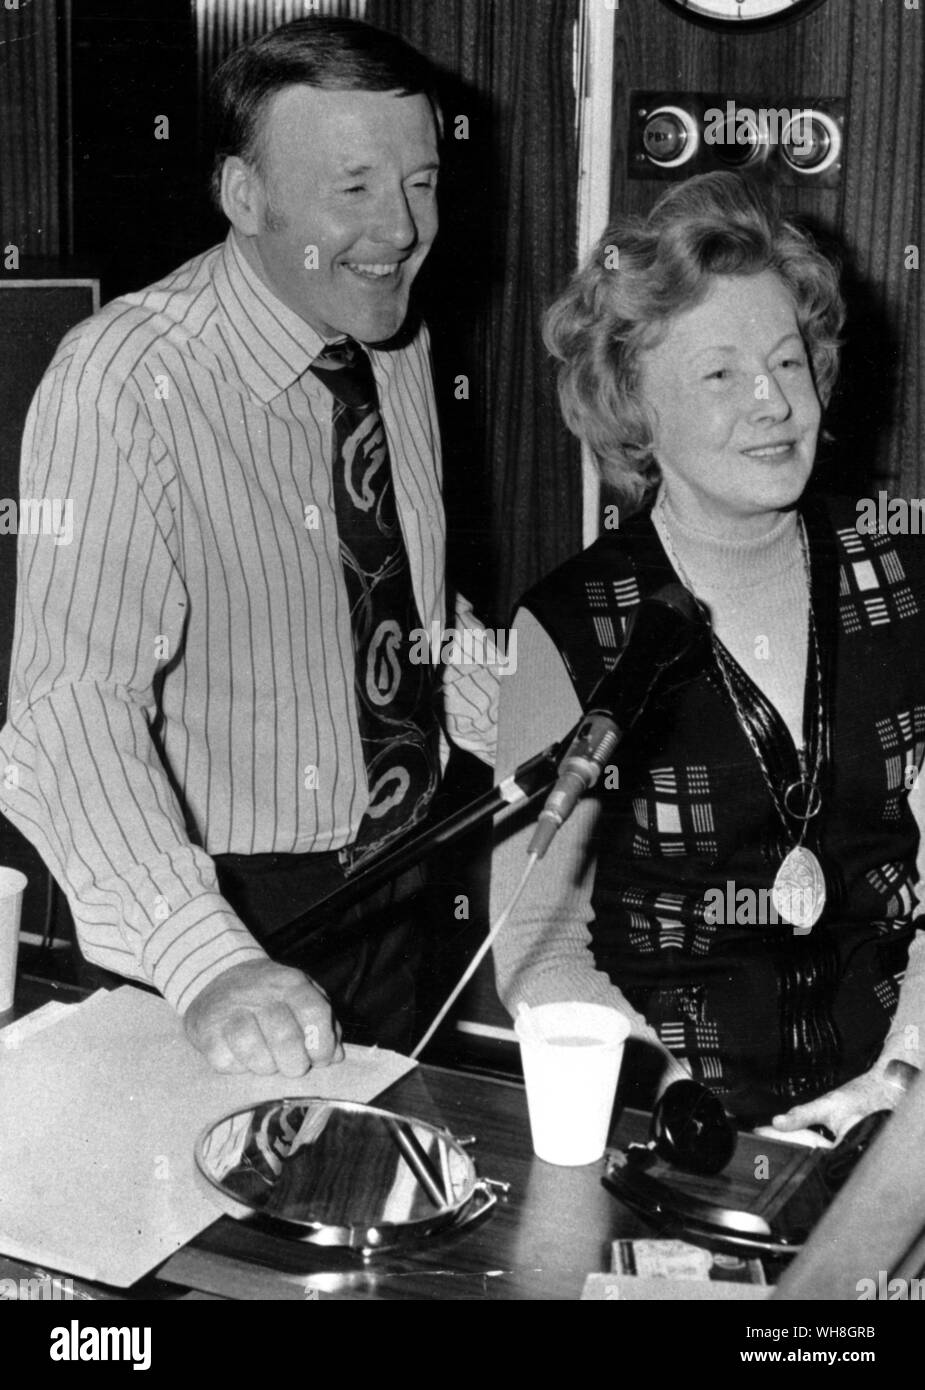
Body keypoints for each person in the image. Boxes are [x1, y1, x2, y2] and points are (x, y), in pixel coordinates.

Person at [0, 18, 499, 1076]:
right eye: (354, 189)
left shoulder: (390, 338)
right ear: (245, 196)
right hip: (217, 909)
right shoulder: (123, 379)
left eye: (421, 183)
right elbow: (70, 706)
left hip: (400, 872)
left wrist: (531, 698)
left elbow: (394, 601)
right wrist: (206, 956)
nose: (401, 228)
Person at [491, 172, 925, 1137]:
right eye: (720, 375)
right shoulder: (567, 630)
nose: (772, 402)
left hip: (900, 1122)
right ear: (632, 407)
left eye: (788, 362)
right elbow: (539, 948)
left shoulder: (903, 580)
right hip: (677, 1133)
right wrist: (686, 1114)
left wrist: (896, 1088)